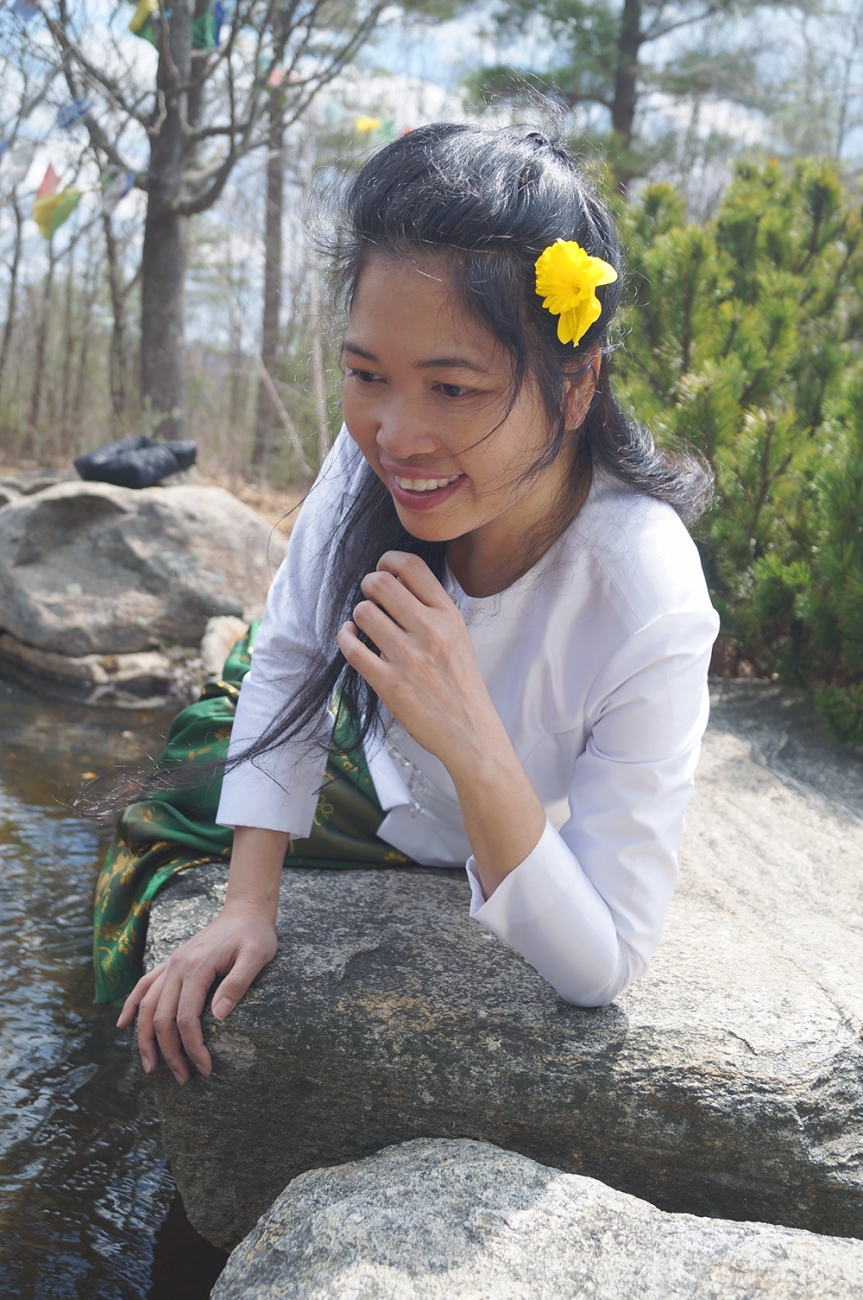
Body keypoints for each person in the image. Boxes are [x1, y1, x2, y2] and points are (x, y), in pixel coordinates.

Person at [115, 122, 718, 1084]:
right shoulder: (365, 466)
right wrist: (245, 905)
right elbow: (291, 656)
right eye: (367, 377)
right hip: (370, 760)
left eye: (452, 386)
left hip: (503, 832)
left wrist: (469, 734)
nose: (395, 434)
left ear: (575, 385)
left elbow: (602, 967)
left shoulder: (647, 597)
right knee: (170, 792)